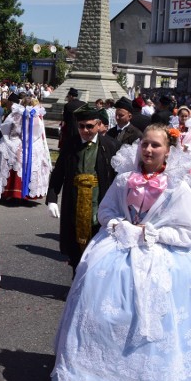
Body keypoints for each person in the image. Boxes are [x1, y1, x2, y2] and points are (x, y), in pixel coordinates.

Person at [51, 124, 191, 381]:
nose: (149, 149)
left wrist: (152, 233)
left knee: (157, 322)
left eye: (156, 145)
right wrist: (119, 224)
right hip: (119, 250)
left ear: (168, 150)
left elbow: (190, 233)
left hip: (162, 259)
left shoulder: (177, 187)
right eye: (145, 143)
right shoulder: (124, 179)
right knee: (102, 311)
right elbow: (106, 211)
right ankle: (103, 376)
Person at [46, 105, 120, 274]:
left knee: (98, 246)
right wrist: (51, 198)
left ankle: (94, 287)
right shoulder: (70, 144)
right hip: (75, 201)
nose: (85, 130)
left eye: (90, 126)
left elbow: (119, 178)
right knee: (75, 246)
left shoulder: (110, 145)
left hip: (100, 202)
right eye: (81, 126)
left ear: (99, 124)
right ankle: (75, 284)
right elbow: (59, 173)